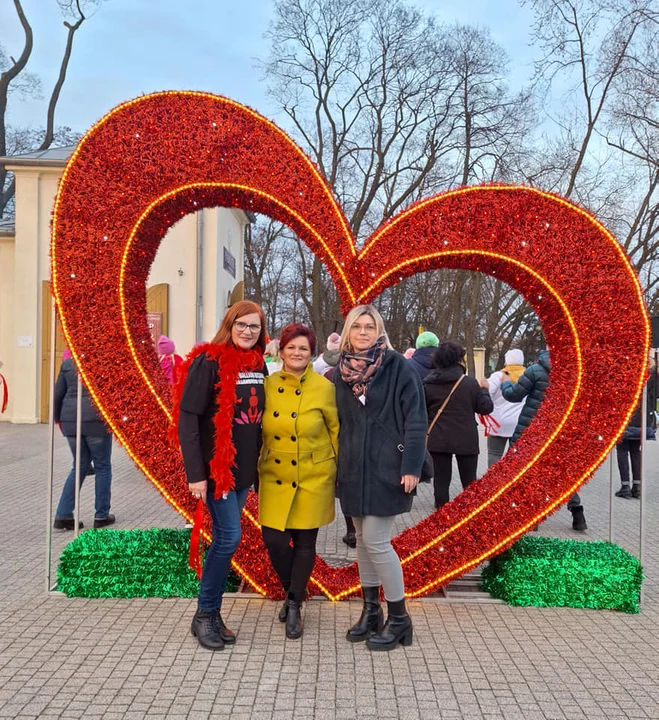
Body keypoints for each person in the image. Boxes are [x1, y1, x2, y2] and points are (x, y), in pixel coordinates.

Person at [334, 304, 427, 651]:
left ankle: (400, 617)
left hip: (390, 467)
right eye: (357, 326)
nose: (362, 332)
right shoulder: (340, 372)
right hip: (353, 468)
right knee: (361, 540)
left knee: (376, 540)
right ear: (348, 331)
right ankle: (371, 610)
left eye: (369, 326)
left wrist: (412, 467)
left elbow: (416, 418)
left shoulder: (397, 367)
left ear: (379, 331)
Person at [176, 300, 267, 651]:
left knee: (227, 538)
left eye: (254, 327)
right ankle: (204, 615)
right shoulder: (208, 362)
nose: (247, 332)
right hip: (217, 473)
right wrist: (196, 474)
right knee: (228, 538)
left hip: (243, 471)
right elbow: (188, 419)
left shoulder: (259, 365)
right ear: (229, 326)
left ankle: (212, 615)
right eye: (241, 325)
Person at [259, 324, 339, 639]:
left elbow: (336, 431)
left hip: (313, 473)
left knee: (305, 544)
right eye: (291, 347)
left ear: (312, 353)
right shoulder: (266, 385)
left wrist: (337, 471)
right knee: (275, 541)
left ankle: (293, 603)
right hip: (275, 473)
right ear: (281, 351)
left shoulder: (324, 387)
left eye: (303, 348)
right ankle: (294, 590)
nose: (297, 353)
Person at [501, 348, 588, 531]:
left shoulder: (535, 371)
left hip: (532, 430)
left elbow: (514, 396)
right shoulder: (576, 373)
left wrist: (505, 383)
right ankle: (578, 513)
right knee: (562, 474)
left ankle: (532, 518)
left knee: (528, 472)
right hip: (559, 432)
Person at [423, 342, 494, 509]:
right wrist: (484, 389)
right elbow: (485, 408)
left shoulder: (428, 383)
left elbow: (422, 412)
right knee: (469, 481)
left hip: (438, 438)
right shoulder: (469, 383)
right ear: (459, 360)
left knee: (441, 480)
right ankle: (470, 515)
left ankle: (441, 515)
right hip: (466, 439)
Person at [53, 351, 114, 530]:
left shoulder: (67, 364)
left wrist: (59, 419)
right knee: (102, 465)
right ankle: (101, 515)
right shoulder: (102, 362)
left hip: (71, 420)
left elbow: (58, 394)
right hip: (95, 421)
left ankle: (63, 514)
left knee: (78, 467)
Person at [615, 372, 657, 498]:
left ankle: (625, 486)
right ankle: (637, 487)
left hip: (626, 418)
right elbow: (654, 395)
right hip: (642, 419)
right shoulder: (650, 371)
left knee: (622, 450)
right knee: (635, 451)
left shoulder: (625, 370)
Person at [485, 349, 526, 467]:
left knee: (494, 454)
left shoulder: (498, 376)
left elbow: (487, 395)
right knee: (518, 456)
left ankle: (494, 481)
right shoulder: (528, 376)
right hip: (521, 423)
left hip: (498, 422)